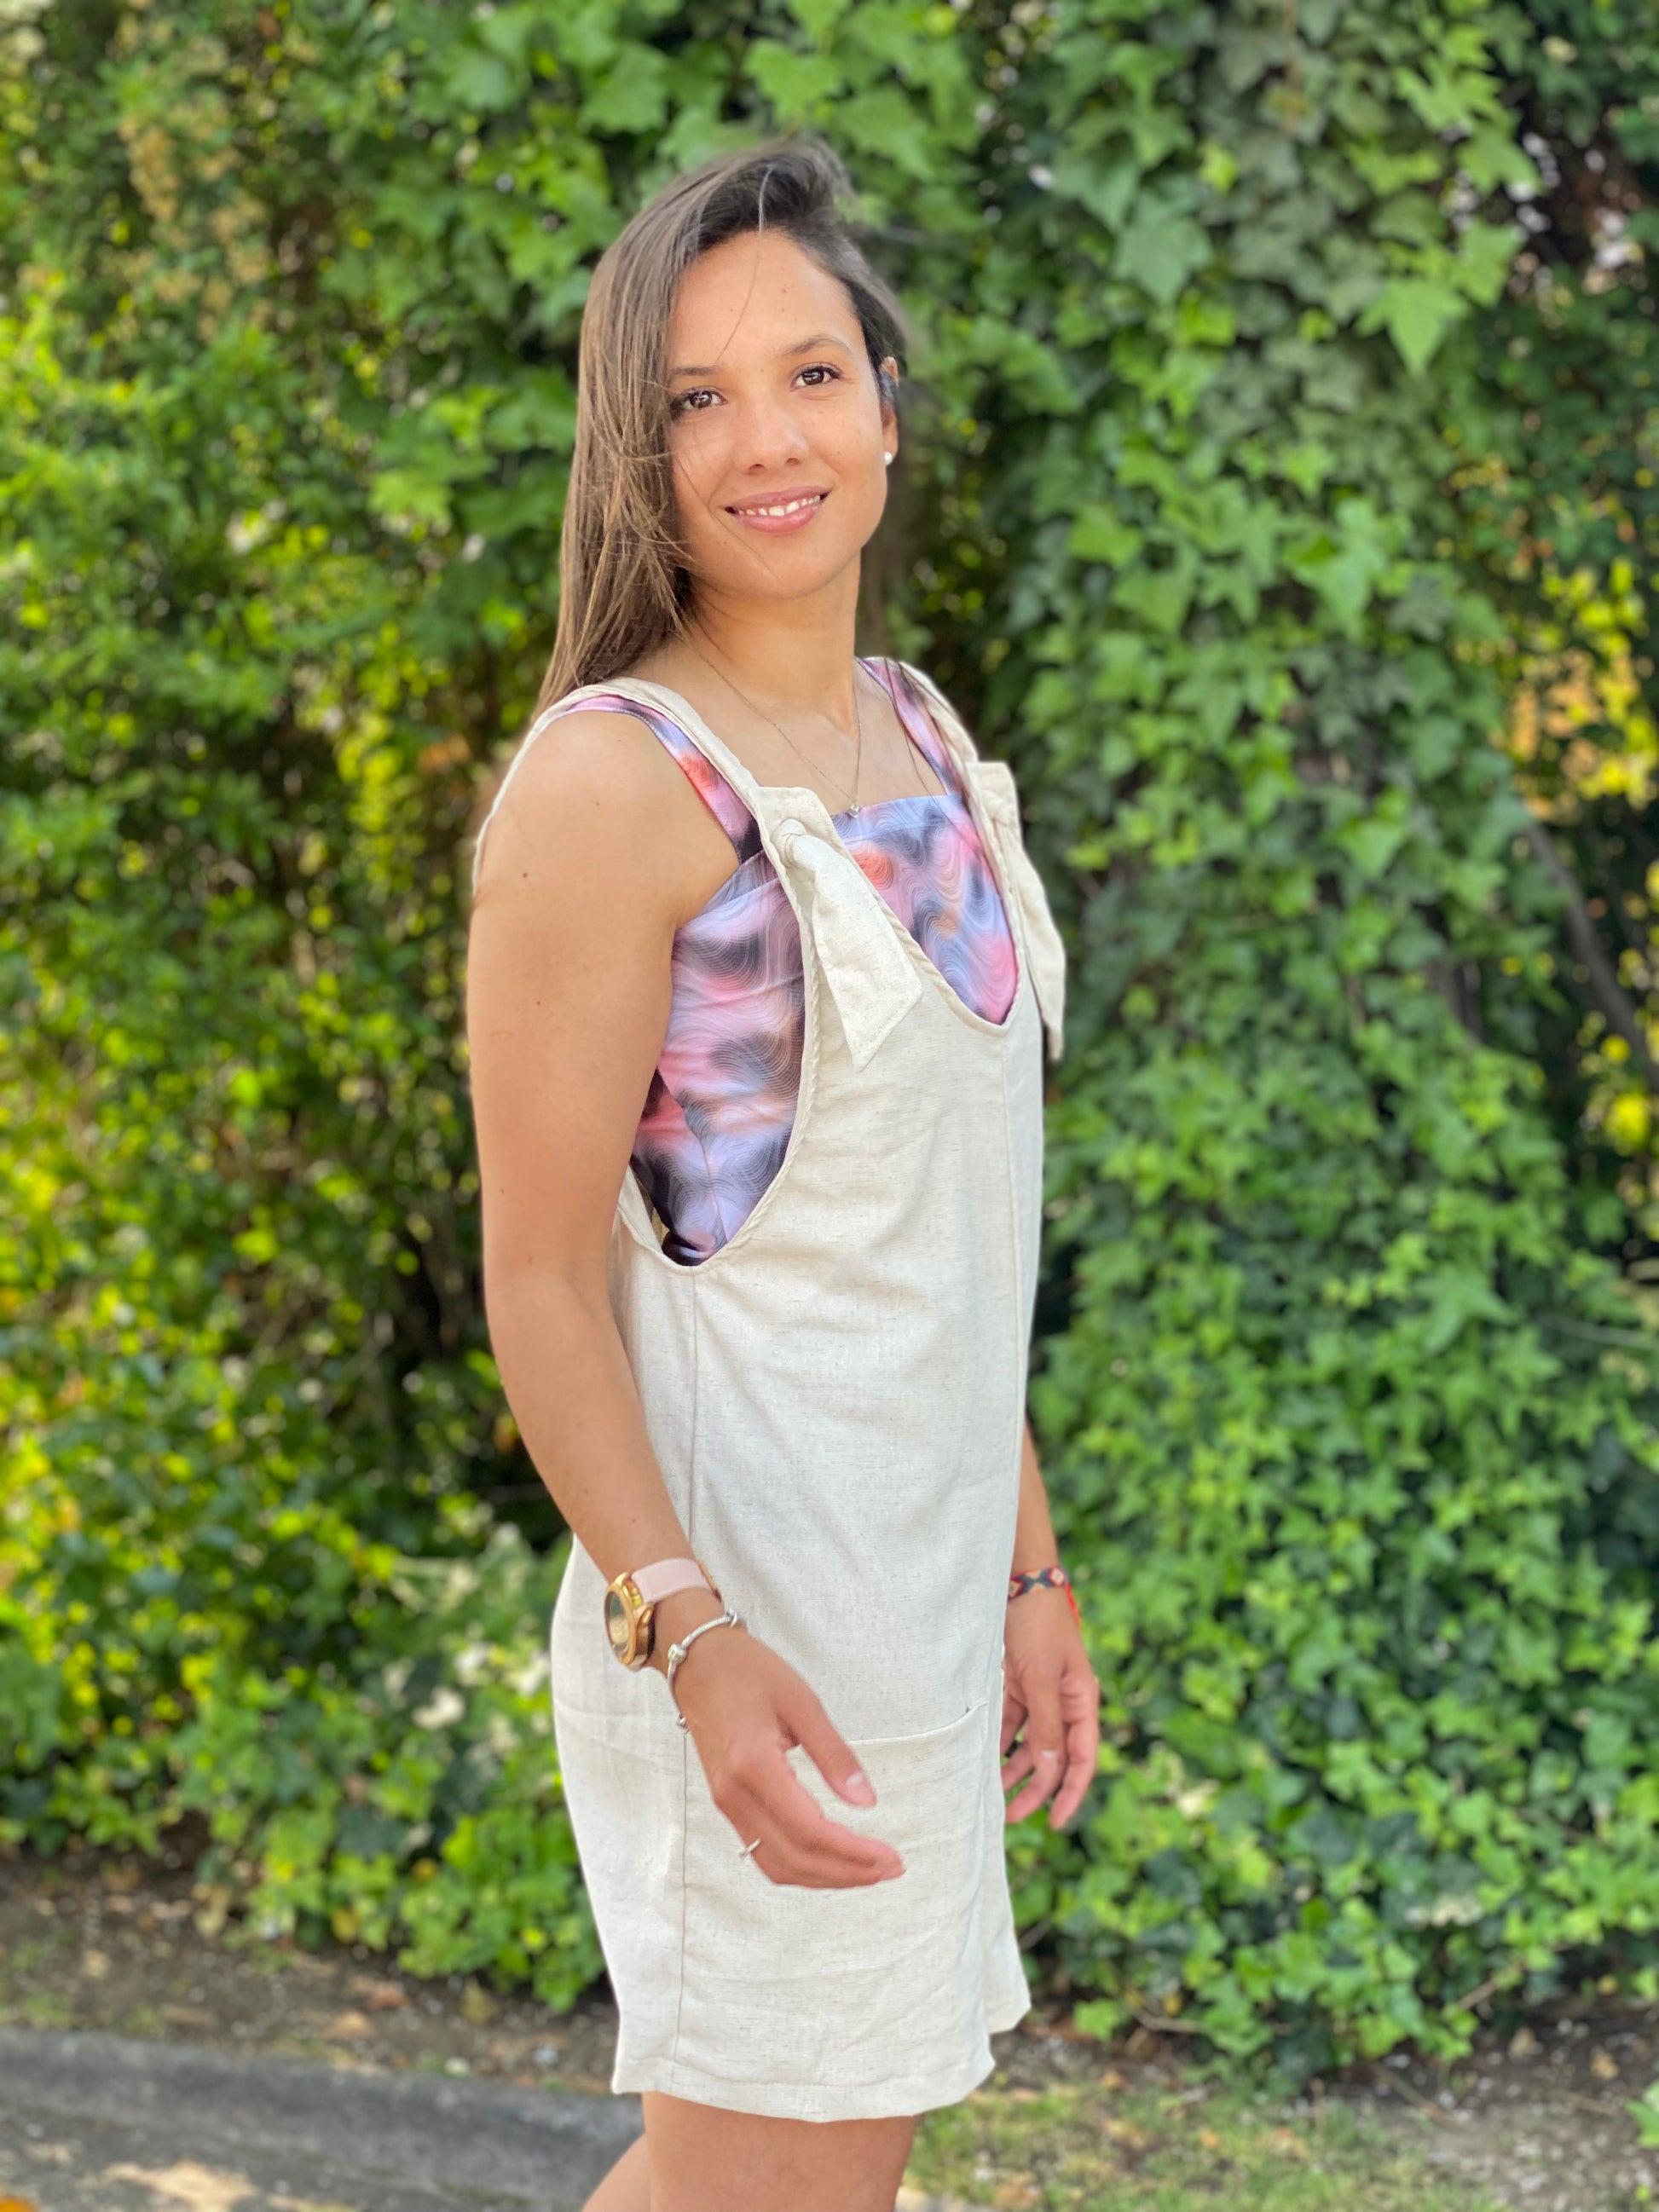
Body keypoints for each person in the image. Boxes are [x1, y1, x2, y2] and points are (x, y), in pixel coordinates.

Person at [464, 132, 1101, 2212]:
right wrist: (694, 1634)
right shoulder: (616, 784)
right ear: (634, 455)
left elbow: (937, 1248)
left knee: (787, 2183)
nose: (767, 441)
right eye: (696, 398)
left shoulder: (922, 735)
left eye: (811, 375)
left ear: (885, 410)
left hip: (911, 1617)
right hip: (745, 1644)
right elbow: (540, 1279)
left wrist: (1024, 1566)